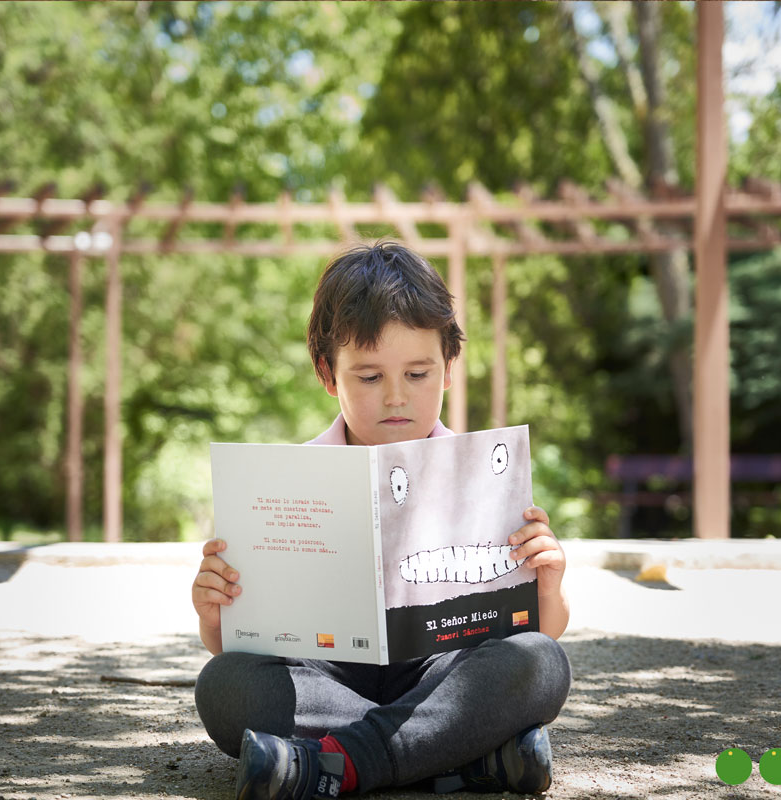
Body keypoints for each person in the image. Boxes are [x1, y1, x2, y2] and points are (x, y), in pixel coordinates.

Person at [192, 241, 571, 800]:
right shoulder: (286, 481)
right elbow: (229, 644)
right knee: (224, 687)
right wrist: (214, 609)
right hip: (326, 675)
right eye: (369, 378)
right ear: (328, 373)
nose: (397, 397)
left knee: (540, 662)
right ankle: (464, 755)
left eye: (418, 373)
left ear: (447, 368)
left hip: (442, 668)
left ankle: (336, 764)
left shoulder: (488, 476)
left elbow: (544, 629)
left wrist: (548, 584)